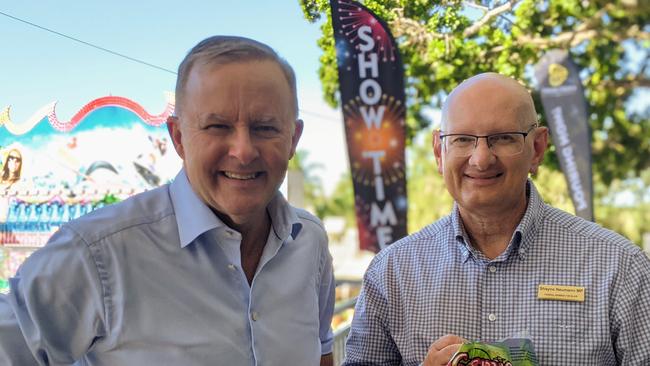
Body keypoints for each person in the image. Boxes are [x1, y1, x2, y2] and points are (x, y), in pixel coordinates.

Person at [0, 36, 335, 366]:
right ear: (178, 138)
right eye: (217, 126)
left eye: (265, 127)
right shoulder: (98, 253)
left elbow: (321, 353)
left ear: (293, 138)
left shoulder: (308, 241)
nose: (244, 151)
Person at [343, 73, 650, 365]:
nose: (481, 158)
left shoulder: (620, 269)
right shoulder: (392, 274)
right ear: (439, 152)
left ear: (538, 148)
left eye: (503, 138)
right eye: (462, 139)